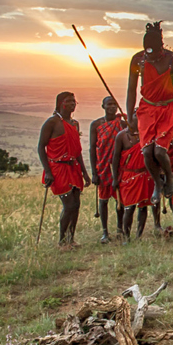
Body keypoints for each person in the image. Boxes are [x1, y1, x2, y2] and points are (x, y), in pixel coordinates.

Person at [126, 21, 173, 206]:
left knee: (160, 151)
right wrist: (129, 117)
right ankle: (157, 184)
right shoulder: (138, 60)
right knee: (146, 152)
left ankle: (169, 178)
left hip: (168, 109)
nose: (150, 56)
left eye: (154, 51)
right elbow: (131, 90)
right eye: (147, 51)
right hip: (147, 109)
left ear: (161, 47)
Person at [37, 92, 91, 248]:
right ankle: (62, 241)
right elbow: (41, 147)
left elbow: (77, 150)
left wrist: (84, 172)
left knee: (76, 205)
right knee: (69, 205)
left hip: (73, 167)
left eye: (74, 101)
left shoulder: (74, 124)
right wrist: (47, 172)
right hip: (58, 168)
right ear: (61, 103)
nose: (73, 104)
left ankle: (70, 239)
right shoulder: (52, 122)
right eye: (69, 101)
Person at [111, 110, 154, 240]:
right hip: (128, 176)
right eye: (136, 115)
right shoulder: (121, 136)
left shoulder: (147, 134)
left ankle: (139, 236)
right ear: (130, 118)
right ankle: (126, 236)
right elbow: (115, 158)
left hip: (144, 175)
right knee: (129, 208)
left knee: (143, 207)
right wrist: (115, 178)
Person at [89, 96, 126, 244]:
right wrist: (94, 172)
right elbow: (92, 148)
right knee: (103, 201)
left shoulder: (122, 123)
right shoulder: (96, 125)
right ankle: (105, 232)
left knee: (120, 201)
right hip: (103, 166)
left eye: (114, 104)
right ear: (103, 106)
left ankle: (120, 229)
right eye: (109, 104)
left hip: (119, 167)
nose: (112, 107)